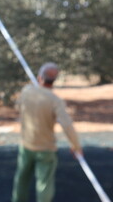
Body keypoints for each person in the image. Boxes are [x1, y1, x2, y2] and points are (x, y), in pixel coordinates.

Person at [12, 62, 83, 202]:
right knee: (44, 184)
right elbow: (67, 125)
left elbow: (17, 107)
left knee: (22, 180)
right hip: (46, 149)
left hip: (27, 145)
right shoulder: (55, 100)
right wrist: (76, 146)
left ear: (39, 77)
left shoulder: (26, 91)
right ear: (54, 80)